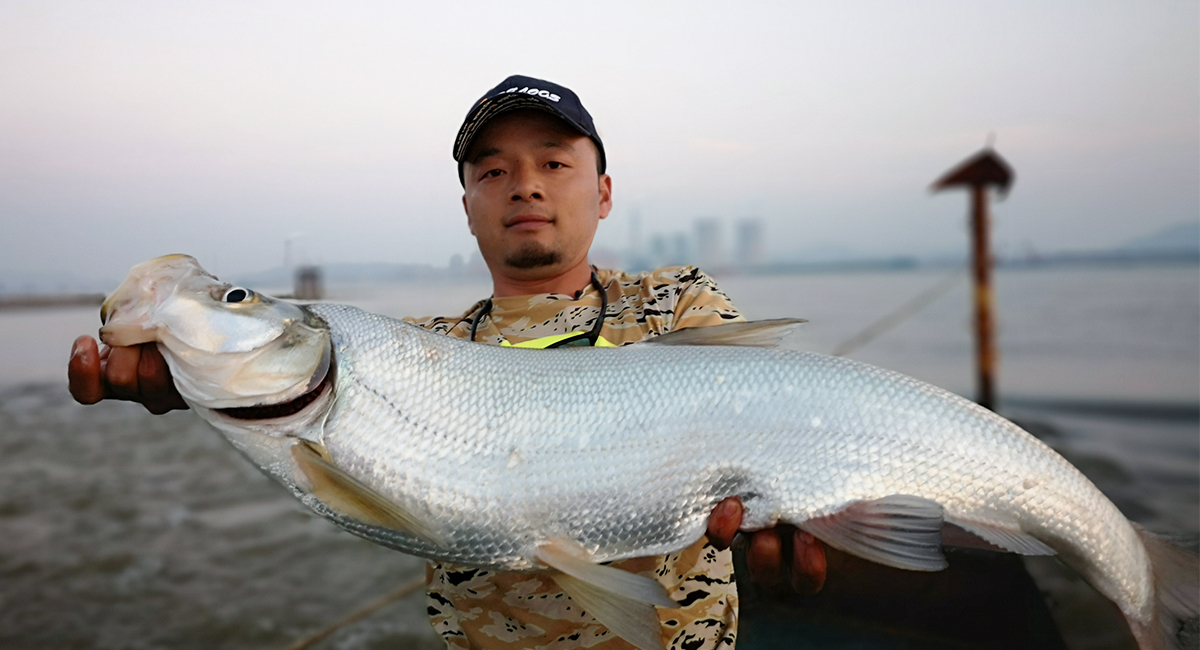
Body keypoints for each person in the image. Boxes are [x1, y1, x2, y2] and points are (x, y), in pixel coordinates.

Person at [68, 75, 826, 649]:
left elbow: (760, 409)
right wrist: (192, 387)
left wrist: (810, 519)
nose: (523, 183)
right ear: (466, 204)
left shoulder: (676, 305)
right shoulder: (421, 350)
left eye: (554, 162)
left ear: (603, 192)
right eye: (491, 171)